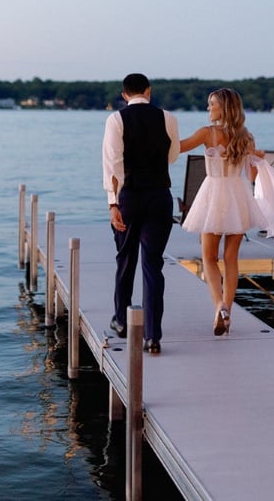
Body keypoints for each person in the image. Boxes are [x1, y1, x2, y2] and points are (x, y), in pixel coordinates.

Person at [101, 73, 180, 355]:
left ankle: (121, 320)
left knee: (126, 260)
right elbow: (172, 156)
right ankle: (152, 336)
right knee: (153, 266)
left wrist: (113, 204)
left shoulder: (116, 120)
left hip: (130, 197)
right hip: (160, 196)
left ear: (124, 95)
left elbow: (113, 165)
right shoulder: (168, 118)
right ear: (148, 91)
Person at [179, 87, 266, 336]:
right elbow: (252, 174)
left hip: (214, 194)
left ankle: (218, 305)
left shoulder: (208, 133)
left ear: (223, 107)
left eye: (212, 104)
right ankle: (227, 310)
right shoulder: (246, 136)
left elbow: (178, 148)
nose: (209, 108)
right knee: (231, 259)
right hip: (238, 196)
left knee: (208, 257)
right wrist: (258, 157)